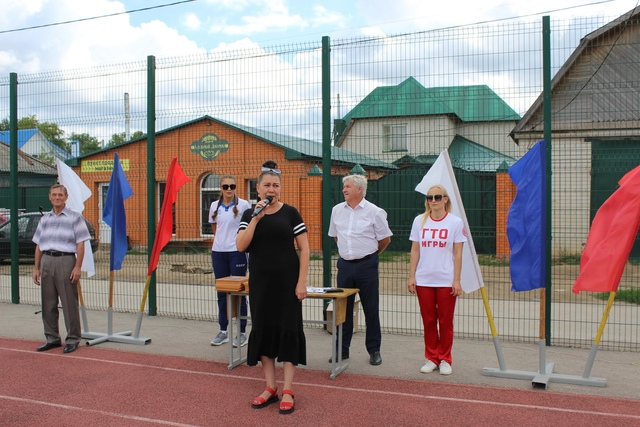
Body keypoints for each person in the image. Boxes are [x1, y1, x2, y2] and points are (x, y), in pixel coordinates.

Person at [236, 160, 309, 415]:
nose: (271, 189)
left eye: (276, 185)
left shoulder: (291, 213)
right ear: (257, 188)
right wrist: (256, 217)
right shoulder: (248, 215)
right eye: (267, 185)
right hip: (261, 285)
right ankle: (270, 387)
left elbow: (305, 249)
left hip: (288, 285)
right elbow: (241, 246)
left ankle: (288, 388)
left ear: (280, 188)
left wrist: (302, 282)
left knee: (289, 331)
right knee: (264, 331)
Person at [328, 174, 392, 366]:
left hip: (367, 266)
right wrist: (349, 252)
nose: (344, 190)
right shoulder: (337, 210)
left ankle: (374, 350)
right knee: (343, 309)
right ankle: (342, 349)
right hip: (345, 265)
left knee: (371, 308)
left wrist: (369, 256)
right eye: (343, 187)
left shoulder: (375, 212)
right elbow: (336, 236)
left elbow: (385, 240)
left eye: (347, 186)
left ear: (359, 189)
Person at [407, 184, 466, 376]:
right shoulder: (419, 221)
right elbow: (415, 250)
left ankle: (445, 359)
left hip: (446, 280)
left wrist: (456, 280)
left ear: (445, 200)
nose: (433, 201)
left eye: (438, 197)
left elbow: (458, 253)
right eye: (430, 197)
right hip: (424, 280)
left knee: (446, 321)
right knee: (429, 320)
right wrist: (412, 276)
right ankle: (432, 357)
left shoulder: (455, 223)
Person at [32, 184, 91, 354]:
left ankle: (73, 339)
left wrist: (77, 266)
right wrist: (36, 268)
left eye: (60, 195)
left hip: (66, 261)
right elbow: (38, 245)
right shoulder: (45, 219)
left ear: (66, 197)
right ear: (50, 197)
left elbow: (80, 244)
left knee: (68, 302)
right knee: (48, 303)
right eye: (54, 195)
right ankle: (52, 338)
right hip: (47, 261)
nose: (57, 197)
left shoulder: (75, 218)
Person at [209, 174, 251, 347]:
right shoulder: (214, 205)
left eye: (232, 186)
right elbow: (215, 227)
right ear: (220, 188)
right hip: (218, 253)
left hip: (237, 253)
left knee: (239, 292)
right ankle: (223, 330)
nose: (228, 190)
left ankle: (241, 333)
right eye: (225, 186)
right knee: (222, 293)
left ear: (236, 188)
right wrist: (221, 242)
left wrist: (236, 244)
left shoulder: (244, 205)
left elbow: (247, 228)